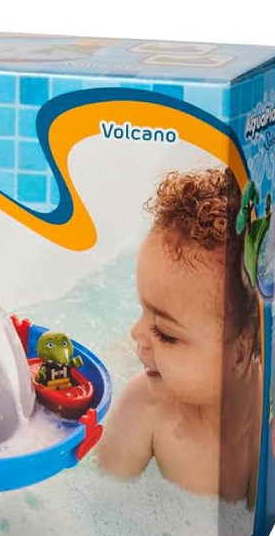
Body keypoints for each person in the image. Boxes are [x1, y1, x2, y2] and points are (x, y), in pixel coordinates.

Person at [98, 168, 262, 506]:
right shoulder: (144, 405)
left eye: (165, 333)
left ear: (239, 353)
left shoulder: (264, 431)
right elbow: (95, 504)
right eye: (143, 310)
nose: (137, 332)